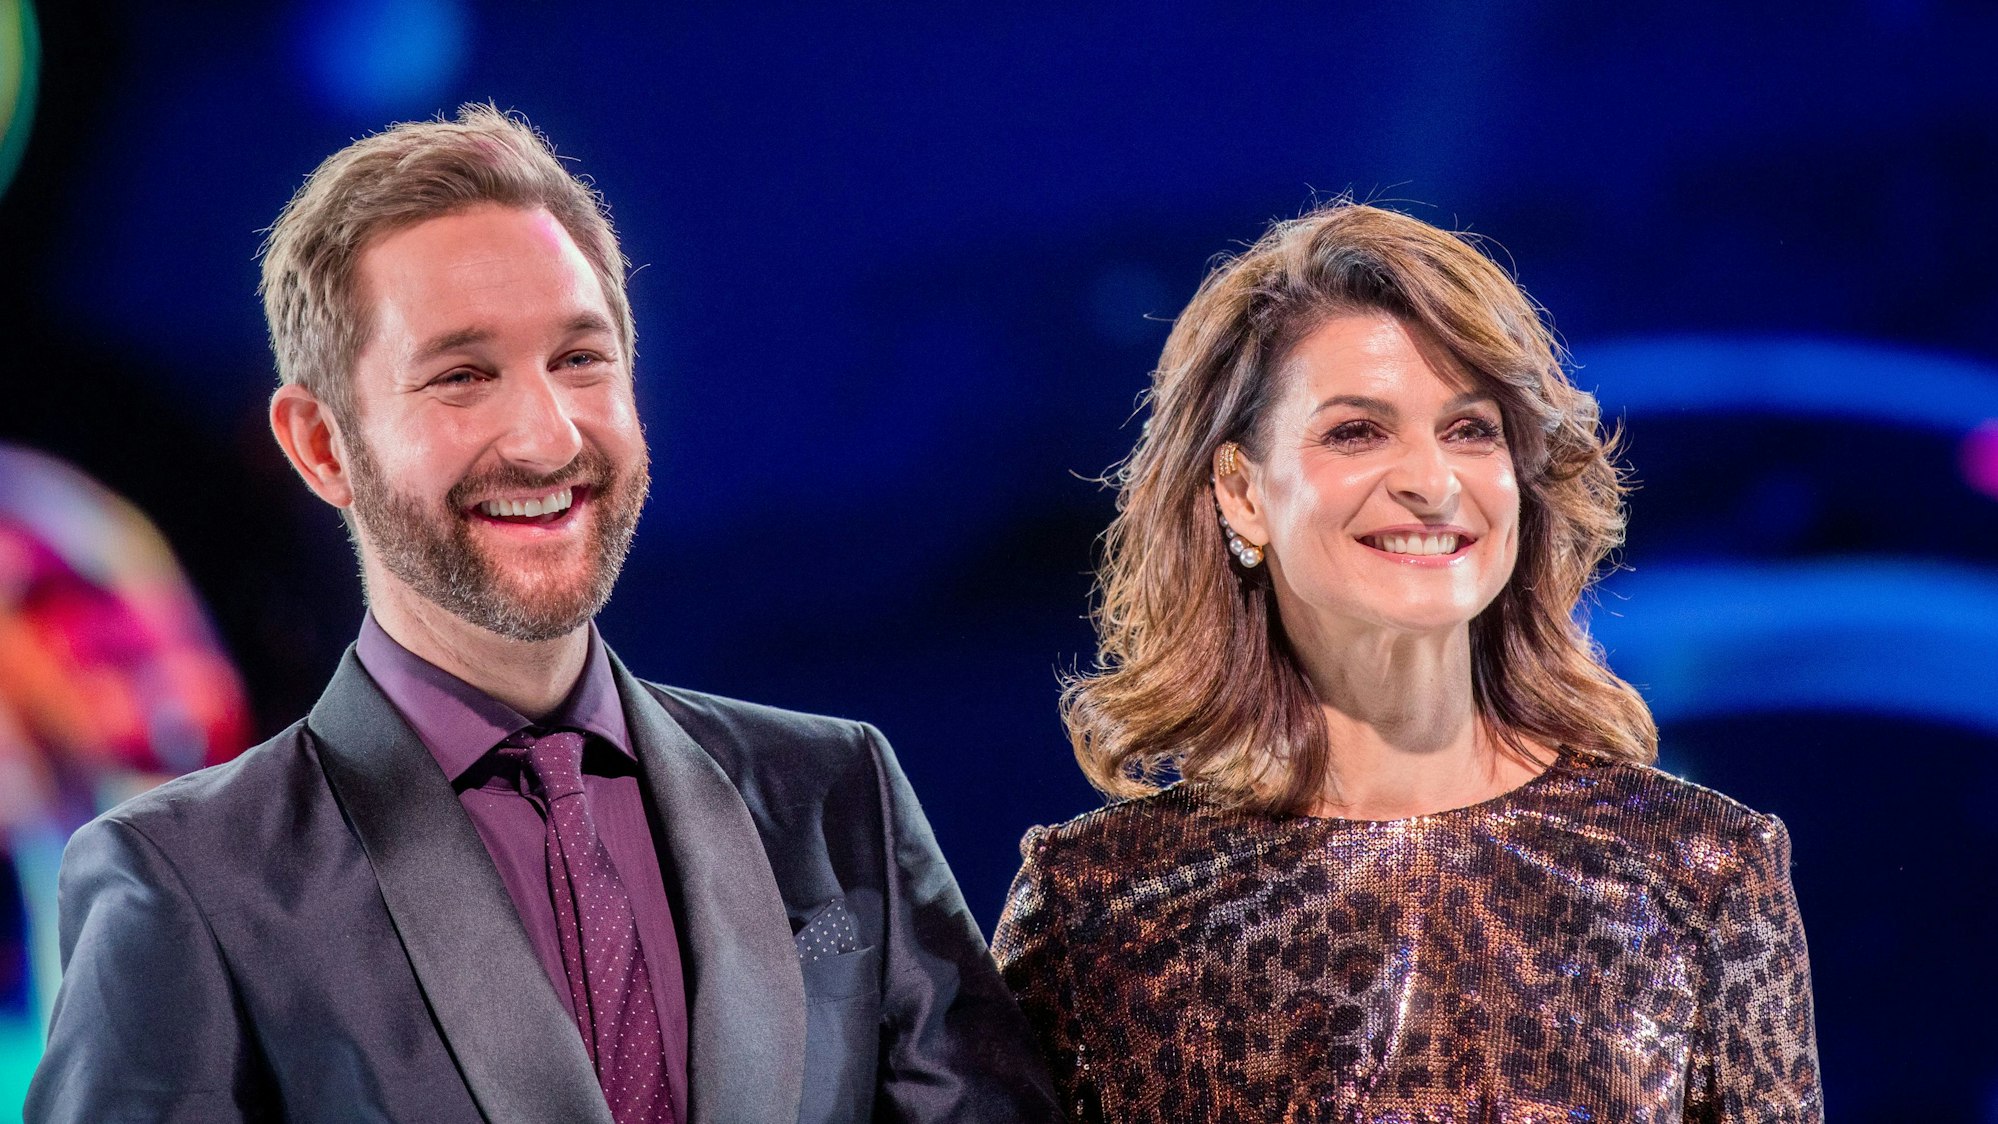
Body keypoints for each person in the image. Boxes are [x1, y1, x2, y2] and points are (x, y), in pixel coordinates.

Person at [27, 105, 1059, 1124]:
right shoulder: (187, 878)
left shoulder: (838, 794)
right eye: (463, 375)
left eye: (580, 358)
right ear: (322, 446)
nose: (548, 434)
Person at [992, 202, 1822, 1121]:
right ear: (1241, 493)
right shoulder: (1103, 911)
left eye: (1472, 430)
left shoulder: (1701, 872)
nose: (1431, 482)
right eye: (1357, 432)